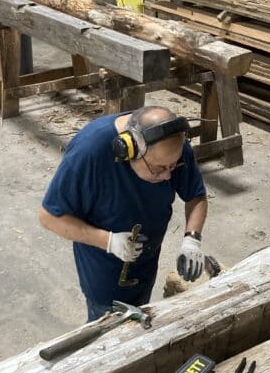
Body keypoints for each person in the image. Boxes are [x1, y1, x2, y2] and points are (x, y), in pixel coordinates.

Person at [39, 105, 209, 322]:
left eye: (173, 167)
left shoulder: (171, 146)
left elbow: (196, 195)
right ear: (129, 149)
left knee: (141, 313)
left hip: (146, 264)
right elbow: (49, 216)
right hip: (104, 272)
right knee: (105, 330)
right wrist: (108, 241)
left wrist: (191, 239)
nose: (168, 176)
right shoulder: (89, 152)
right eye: (158, 169)